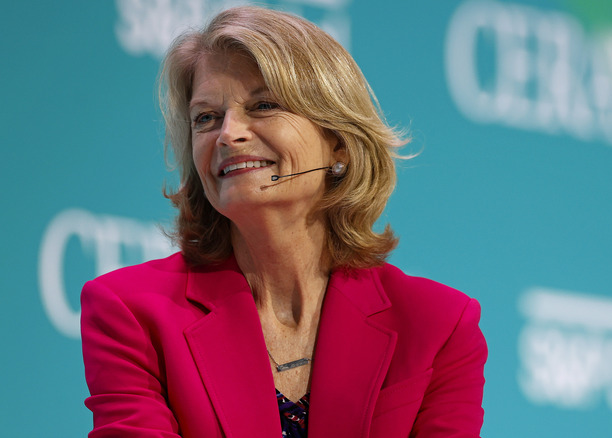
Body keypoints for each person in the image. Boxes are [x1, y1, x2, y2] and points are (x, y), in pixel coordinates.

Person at [81, 5, 487, 438]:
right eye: (206, 118)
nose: (228, 134)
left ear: (338, 144)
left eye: (263, 105)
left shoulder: (438, 324)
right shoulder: (131, 312)